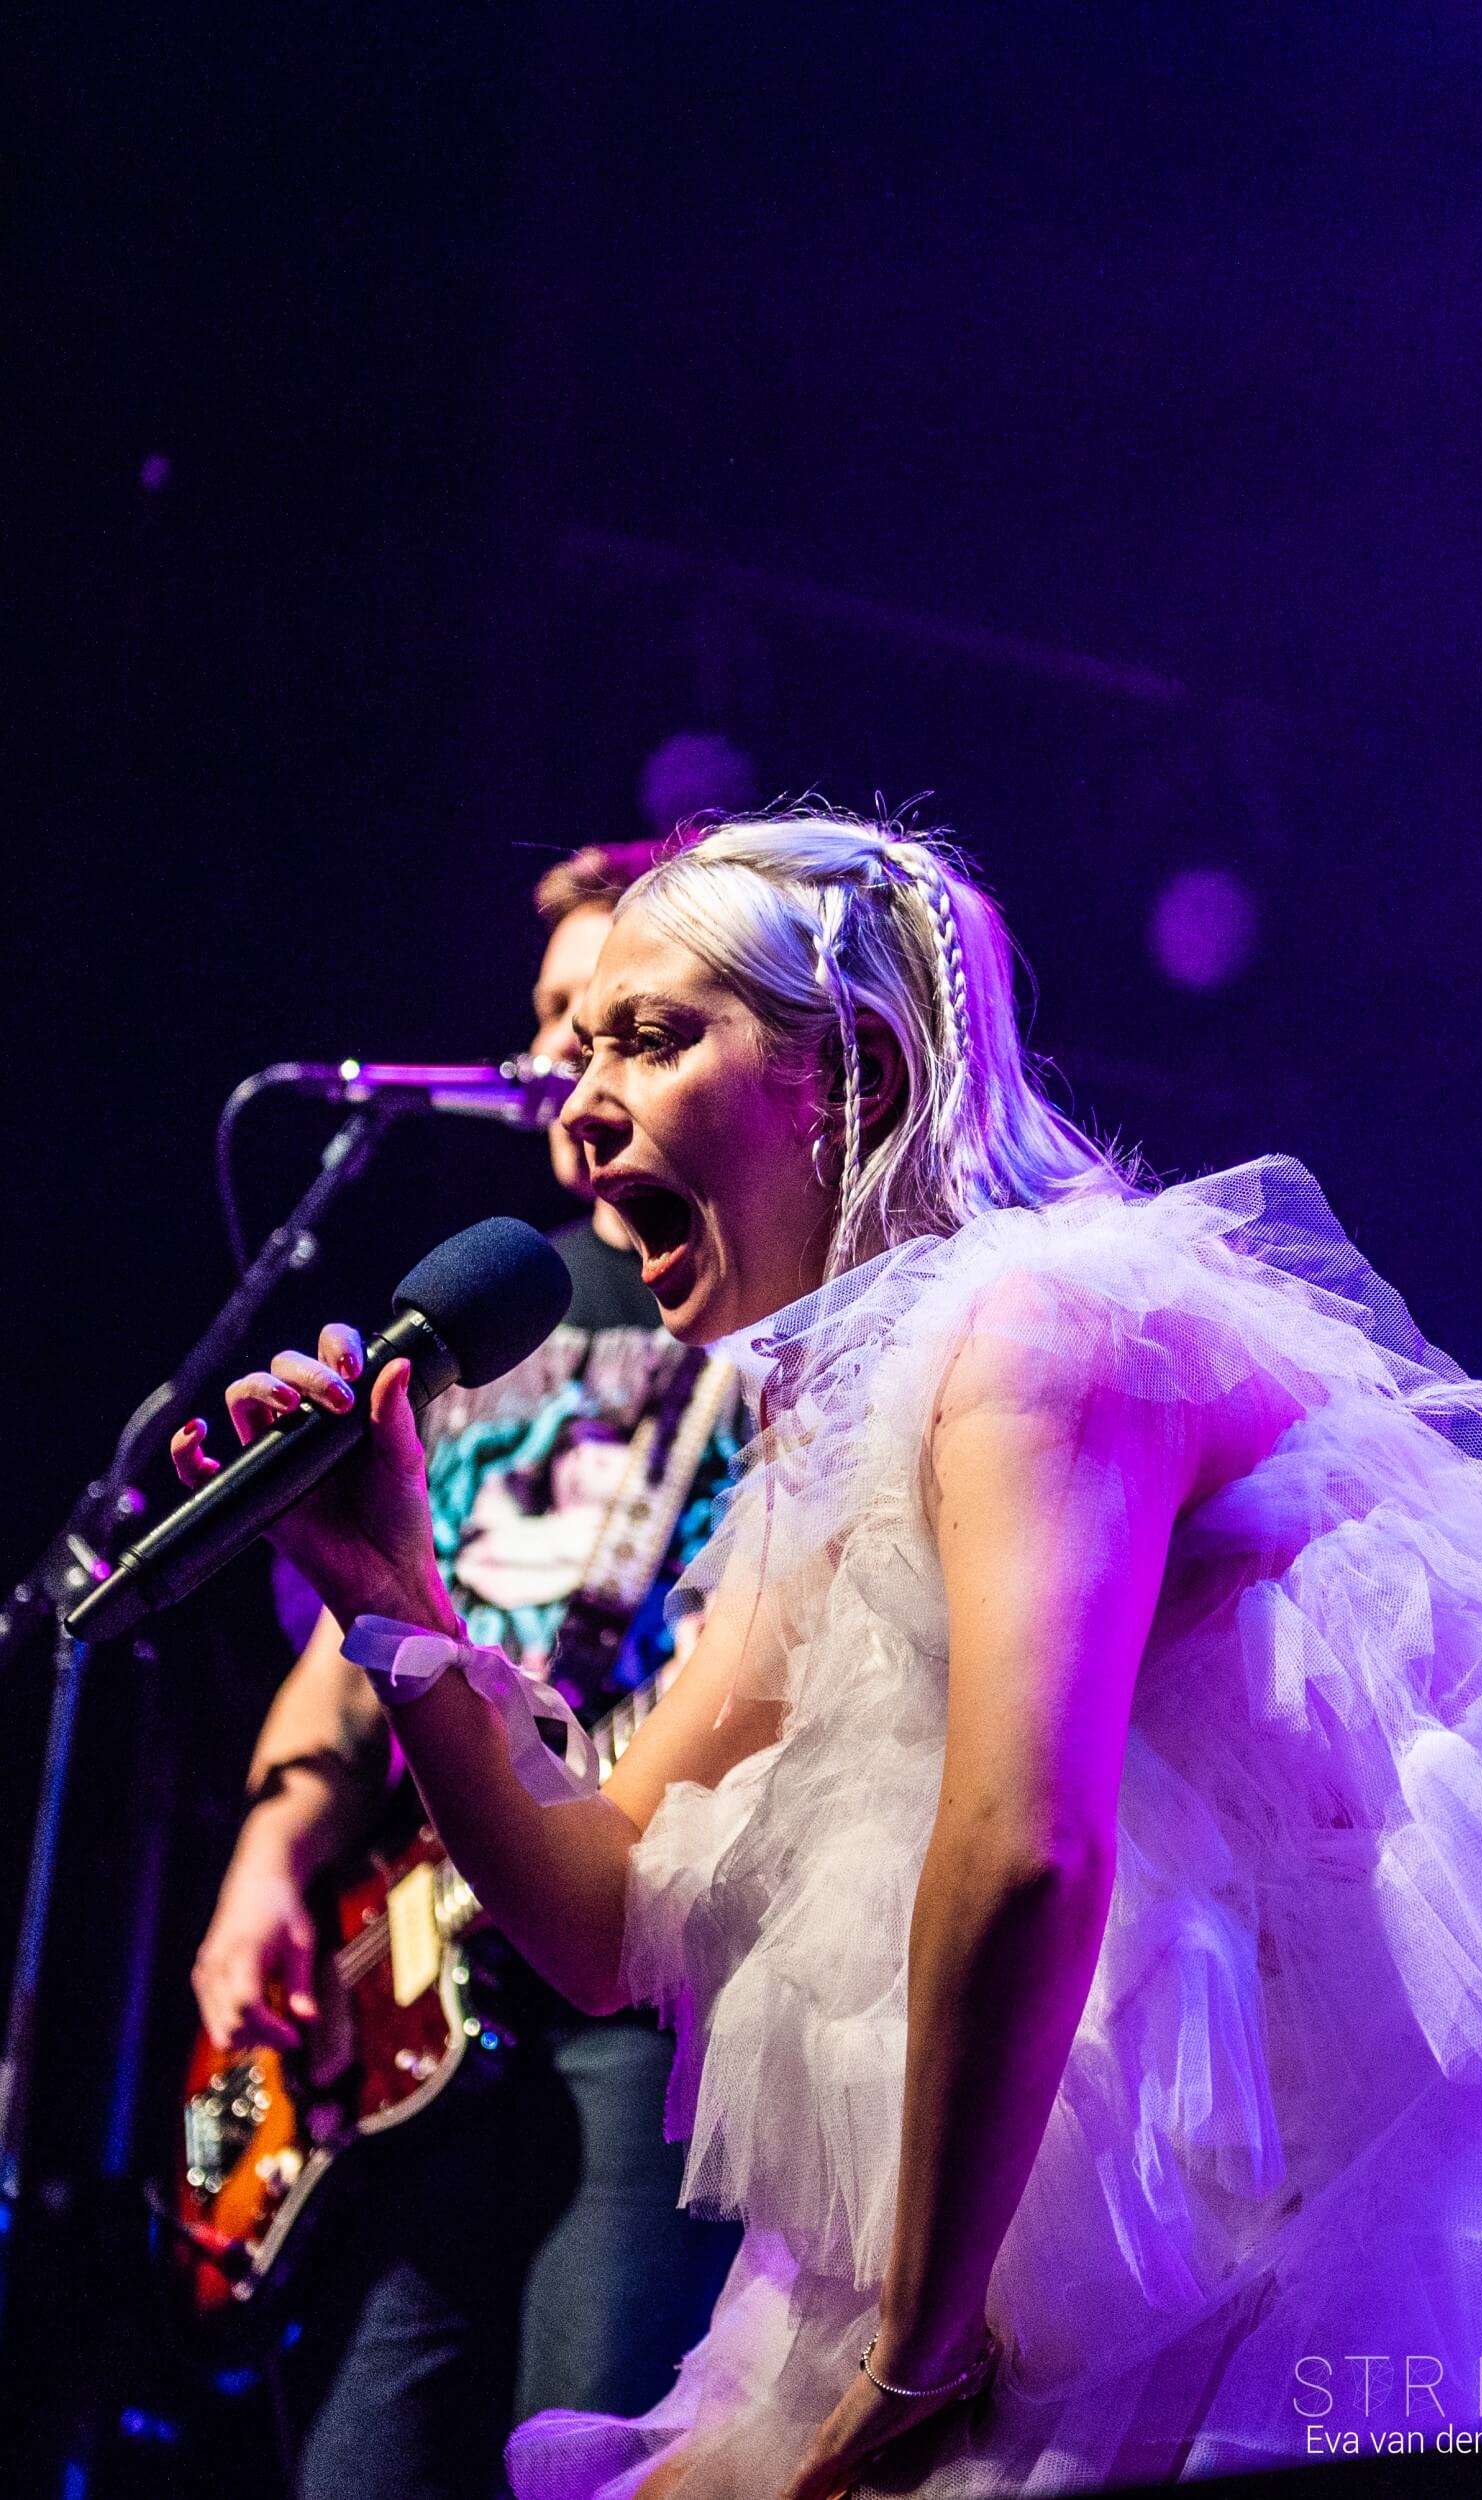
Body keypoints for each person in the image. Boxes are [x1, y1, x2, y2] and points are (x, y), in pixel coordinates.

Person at [177, 810, 1482, 2495]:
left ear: (860, 1074)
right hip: (1077, 2193)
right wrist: (399, 1612)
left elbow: (1025, 1847)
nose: (579, 1113)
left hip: (1307, 2160)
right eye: (579, 1050)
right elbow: (597, 1918)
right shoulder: (825, 1442)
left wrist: (919, 2348)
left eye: (651, 1040)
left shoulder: (1044, 1328)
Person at [187, 839, 742, 2500]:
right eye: (551, 1023)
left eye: (621, 1022)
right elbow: (364, 1645)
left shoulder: (755, 1296)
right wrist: (268, 1861)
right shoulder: (486, 1313)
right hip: (426, 1980)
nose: (565, 1064)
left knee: (598, 2441)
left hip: (650, 1971)